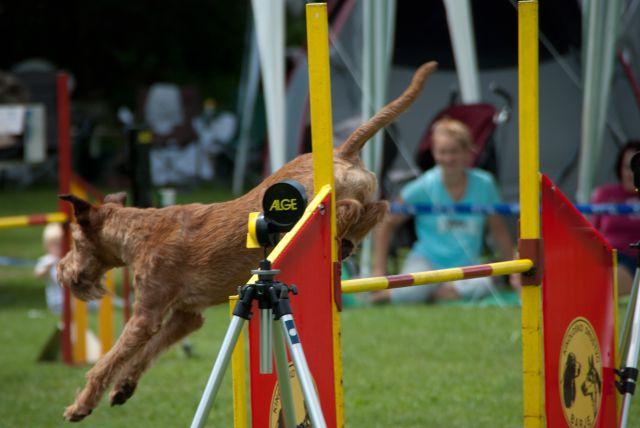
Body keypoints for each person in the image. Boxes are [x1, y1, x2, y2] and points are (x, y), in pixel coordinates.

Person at [371, 118, 517, 304]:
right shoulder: (424, 184)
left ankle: (433, 294)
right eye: (442, 152)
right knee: (411, 292)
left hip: (467, 267)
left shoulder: (485, 184)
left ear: (468, 152)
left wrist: (513, 271)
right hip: (426, 262)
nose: (447, 158)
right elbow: (387, 221)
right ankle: (381, 296)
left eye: (454, 151)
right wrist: (378, 270)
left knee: (484, 283)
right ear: (434, 153)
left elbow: (498, 229)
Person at [590, 141, 640, 295]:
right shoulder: (603, 194)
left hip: (631, 262)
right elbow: (592, 232)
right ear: (619, 168)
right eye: (627, 167)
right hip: (602, 256)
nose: (631, 173)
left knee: (601, 282)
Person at [34, 223, 64, 314]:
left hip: (71, 299)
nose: (58, 247)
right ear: (47, 245)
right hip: (56, 302)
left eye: (61, 244)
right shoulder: (46, 260)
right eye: (54, 244)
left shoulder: (67, 259)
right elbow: (37, 275)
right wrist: (46, 268)